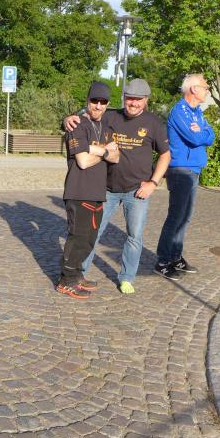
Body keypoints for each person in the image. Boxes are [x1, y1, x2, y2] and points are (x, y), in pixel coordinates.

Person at [64, 78, 170, 294]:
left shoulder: (154, 123)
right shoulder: (111, 116)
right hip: (108, 189)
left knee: (134, 236)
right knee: (94, 233)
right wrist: (66, 119)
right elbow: (87, 114)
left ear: (146, 101)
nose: (133, 103)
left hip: (137, 191)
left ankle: (127, 278)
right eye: (130, 98)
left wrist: (153, 183)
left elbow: (165, 155)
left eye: (138, 99)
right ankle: (79, 274)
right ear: (124, 98)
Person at [56, 82, 120, 299]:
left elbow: (116, 156)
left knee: (89, 240)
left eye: (103, 102)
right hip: (79, 191)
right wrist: (104, 152)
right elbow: (83, 161)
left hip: (97, 192)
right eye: (95, 101)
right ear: (88, 101)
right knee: (78, 238)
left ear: (107, 104)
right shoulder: (77, 125)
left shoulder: (106, 126)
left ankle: (77, 276)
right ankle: (66, 281)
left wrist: (96, 150)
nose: (98, 106)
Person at [154, 74, 215, 279]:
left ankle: (175, 256)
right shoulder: (179, 111)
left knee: (185, 217)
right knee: (176, 216)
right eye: (205, 87)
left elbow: (210, 135)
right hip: (181, 170)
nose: (207, 90)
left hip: (194, 169)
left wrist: (203, 131)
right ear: (193, 89)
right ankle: (163, 261)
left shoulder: (197, 112)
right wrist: (202, 133)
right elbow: (194, 138)